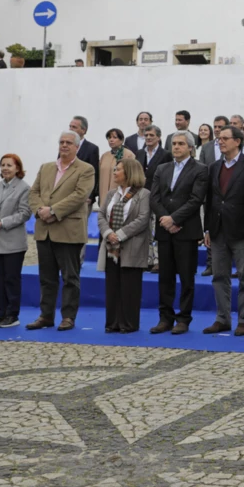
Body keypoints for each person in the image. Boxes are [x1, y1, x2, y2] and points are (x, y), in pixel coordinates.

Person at [26, 131, 96, 331]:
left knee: (69, 278)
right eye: (61, 142)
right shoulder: (46, 167)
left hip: (68, 231)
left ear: (76, 147)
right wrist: (40, 210)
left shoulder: (86, 169)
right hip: (44, 230)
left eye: (68, 143)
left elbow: (80, 195)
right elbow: (34, 192)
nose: (64, 145)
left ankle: (68, 317)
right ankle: (46, 315)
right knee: (46, 278)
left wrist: (54, 211)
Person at [203, 125, 244, 335]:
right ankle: (222, 318)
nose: (220, 141)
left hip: (242, 230)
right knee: (219, 276)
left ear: (238, 141)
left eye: (225, 138)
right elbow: (210, 199)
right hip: (218, 230)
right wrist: (207, 229)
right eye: (219, 138)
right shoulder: (214, 167)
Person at [149, 132, 208, 335]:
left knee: (186, 278)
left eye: (181, 144)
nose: (176, 147)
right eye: (174, 143)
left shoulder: (200, 169)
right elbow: (155, 197)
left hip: (186, 231)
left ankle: (183, 318)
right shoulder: (162, 168)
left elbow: (196, 199)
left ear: (190, 147)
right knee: (164, 277)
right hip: (165, 231)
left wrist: (174, 219)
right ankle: (165, 317)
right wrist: (166, 220)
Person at [98, 158, 151, 334]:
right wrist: (108, 234)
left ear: (129, 172)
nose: (114, 172)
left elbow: (143, 219)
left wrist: (120, 235)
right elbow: (101, 216)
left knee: (130, 286)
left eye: (118, 169)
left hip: (132, 246)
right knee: (112, 285)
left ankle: (128, 323)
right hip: (110, 247)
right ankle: (112, 322)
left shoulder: (143, 194)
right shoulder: (111, 194)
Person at [0, 154, 31, 329]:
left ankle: (12, 315)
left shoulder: (24, 188)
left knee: (11, 279)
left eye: (9, 165)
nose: (5, 168)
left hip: (13, 242)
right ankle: (0, 314)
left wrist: (2, 223)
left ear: (17, 168)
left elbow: (24, 213)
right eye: (2, 165)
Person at [99, 128, 136, 213]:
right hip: (104, 195)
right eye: (109, 138)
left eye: (114, 137)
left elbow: (132, 176)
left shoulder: (129, 155)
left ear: (121, 140)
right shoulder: (104, 156)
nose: (111, 140)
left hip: (120, 195)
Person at [69, 116, 99, 210]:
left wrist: (91, 196)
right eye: (70, 126)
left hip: (83, 196)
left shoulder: (92, 149)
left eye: (74, 127)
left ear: (83, 130)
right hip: (66, 194)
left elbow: (95, 173)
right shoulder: (65, 146)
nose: (70, 129)